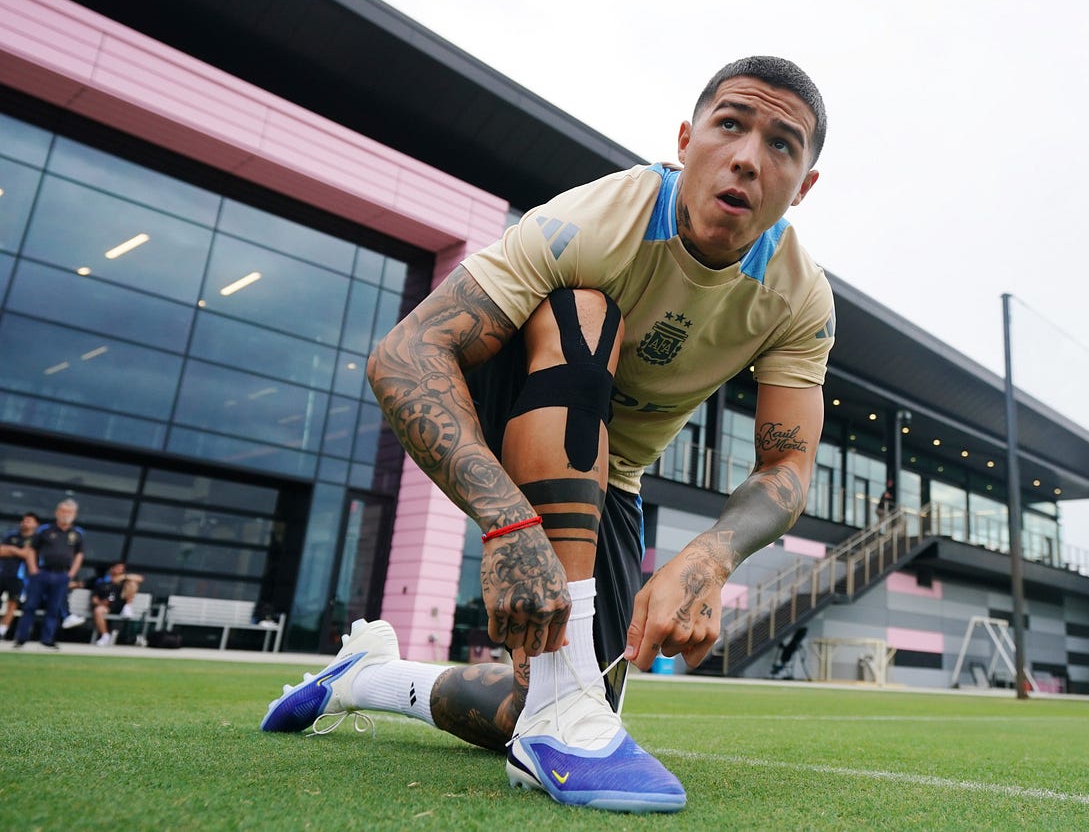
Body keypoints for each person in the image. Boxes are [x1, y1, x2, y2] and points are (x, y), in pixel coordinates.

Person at [261, 56, 834, 814]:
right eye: (730, 125)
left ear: (804, 185)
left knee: (524, 707)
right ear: (685, 140)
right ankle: (563, 711)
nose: (748, 158)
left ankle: (371, 677)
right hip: (501, 404)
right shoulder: (598, 221)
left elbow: (787, 463)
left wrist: (708, 557)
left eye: (781, 144)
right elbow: (404, 354)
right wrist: (509, 523)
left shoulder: (798, 295)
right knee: (584, 306)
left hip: (612, 477)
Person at [12, 498, 85, 649]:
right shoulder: (45, 530)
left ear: (74, 514)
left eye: (69, 512)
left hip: (61, 575)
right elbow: (32, 550)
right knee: (30, 606)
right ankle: (21, 638)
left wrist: (71, 573)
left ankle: (47, 639)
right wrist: (33, 569)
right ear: (57, 512)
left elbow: (79, 554)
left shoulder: (77, 533)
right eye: (63, 511)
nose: (66, 514)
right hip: (42, 573)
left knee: (54, 608)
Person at [0, 512, 40, 639]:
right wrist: (17, 551)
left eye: (29, 521)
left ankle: (2, 630)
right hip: (2, 573)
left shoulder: (37, 539)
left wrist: (11, 550)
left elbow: (28, 555)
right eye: (24, 520)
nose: (25, 523)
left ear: (36, 524)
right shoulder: (11, 536)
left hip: (19, 577)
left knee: (13, 603)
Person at [88, 560, 143, 646]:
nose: (121, 570)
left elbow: (140, 578)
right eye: (118, 568)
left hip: (120, 606)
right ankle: (105, 636)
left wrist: (124, 577)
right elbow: (94, 598)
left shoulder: (125, 581)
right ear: (112, 569)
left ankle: (128, 606)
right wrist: (101, 603)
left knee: (132, 583)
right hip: (107, 607)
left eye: (122, 569)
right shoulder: (102, 582)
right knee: (98, 610)